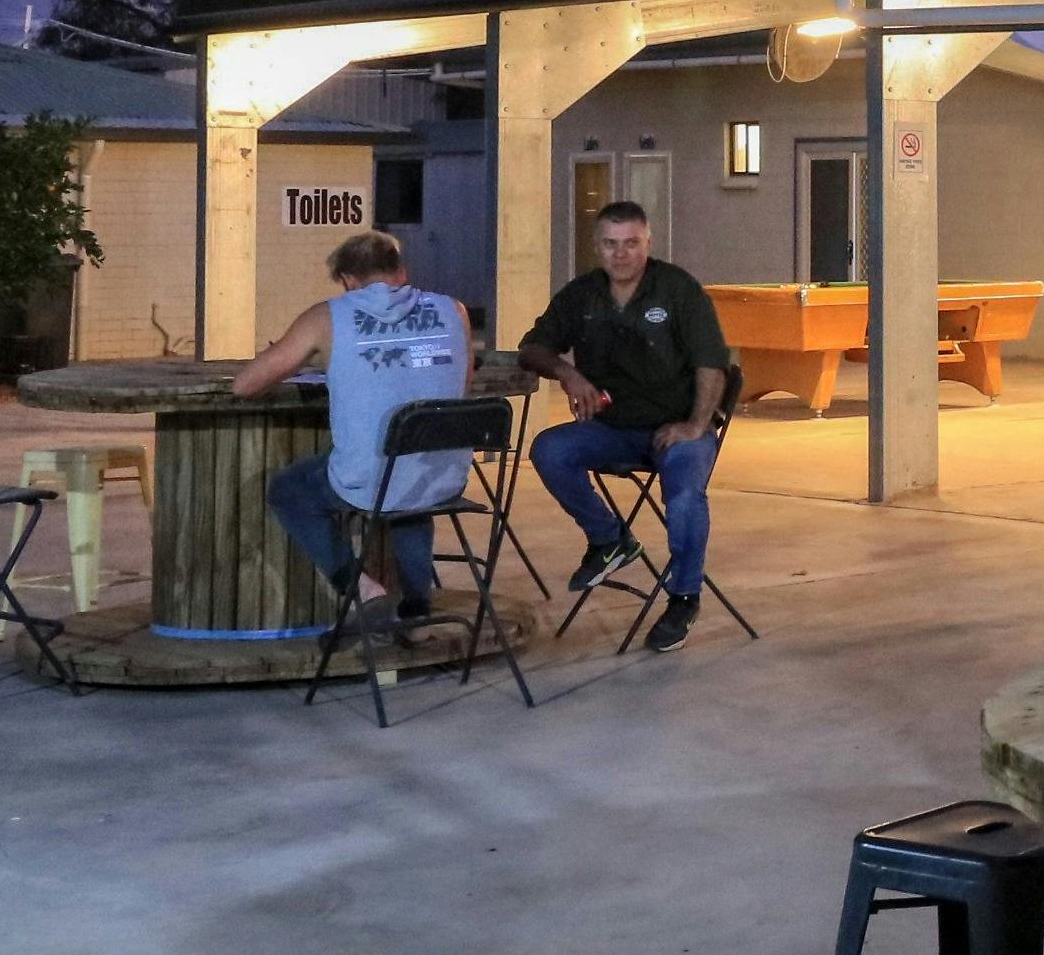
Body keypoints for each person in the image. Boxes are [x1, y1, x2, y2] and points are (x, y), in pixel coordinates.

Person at [235, 230, 473, 637]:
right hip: (444, 474)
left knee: (289, 491)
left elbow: (245, 385)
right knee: (411, 485)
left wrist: (308, 356)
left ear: (346, 280)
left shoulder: (327, 316)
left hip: (369, 481)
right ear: (402, 271)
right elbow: (461, 383)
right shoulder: (455, 310)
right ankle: (417, 611)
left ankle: (362, 591)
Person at [520, 198, 731, 653]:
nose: (621, 254)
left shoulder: (678, 290)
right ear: (597, 247)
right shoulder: (581, 295)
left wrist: (696, 425)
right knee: (548, 450)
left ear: (648, 244)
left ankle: (684, 596)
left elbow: (713, 362)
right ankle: (610, 539)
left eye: (631, 243)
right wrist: (568, 373)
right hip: (613, 428)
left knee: (685, 497)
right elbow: (531, 347)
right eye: (611, 244)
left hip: (676, 431)